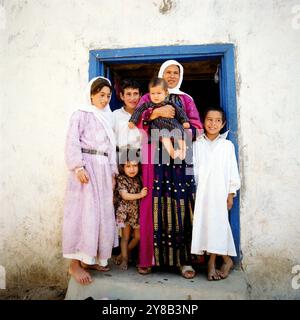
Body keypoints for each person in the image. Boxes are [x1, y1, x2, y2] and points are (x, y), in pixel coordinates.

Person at [136, 60, 203, 278]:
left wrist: (177, 130)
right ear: (160, 74)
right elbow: (138, 122)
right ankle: (149, 259)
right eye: (168, 72)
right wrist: (155, 114)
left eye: (176, 72)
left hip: (181, 158)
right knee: (151, 203)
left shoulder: (186, 100)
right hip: (154, 156)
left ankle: (182, 261)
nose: (172, 76)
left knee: (180, 204)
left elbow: (198, 128)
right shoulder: (149, 97)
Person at [62, 76, 118, 285]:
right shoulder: (81, 114)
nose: (104, 99)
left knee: (101, 214)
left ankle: (91, 258)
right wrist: (77, 166)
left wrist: (113, 171)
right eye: (101, 95)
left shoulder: (108, 118)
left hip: (103, 169)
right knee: (83, 214)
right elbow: (72, 140)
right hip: (86, 168)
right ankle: (75, 264)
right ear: (91, 95)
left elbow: (112, 146)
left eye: (108, 96)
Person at [191, 106, 241, 280]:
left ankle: (214, 263)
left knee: (218, 226)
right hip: (202, 193)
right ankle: (223, 260)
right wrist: (193, 192)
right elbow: (192, 170)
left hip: (219, 192)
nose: (213, 124)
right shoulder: (196, 144)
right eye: (209, 120)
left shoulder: (227, 146)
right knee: (205, 226)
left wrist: (230, 193)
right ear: (203, 122)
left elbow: (232, 171)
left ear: (223, 123)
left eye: (217, 120)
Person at [129, 77, 190, 160]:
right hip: (159, 128)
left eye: (159, 93)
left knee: (180, 135)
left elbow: (180, 112)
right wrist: (132, 121)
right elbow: (138, 112)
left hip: (173, 124)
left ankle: (183, 152)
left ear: (166, 93)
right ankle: (172, 153)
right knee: (165, 140)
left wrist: (184, 121)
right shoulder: (147, 105)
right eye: (153, 93)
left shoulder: (170, 103)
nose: (155, 96)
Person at [114, 149, 148, 270]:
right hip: (126, 213)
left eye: (134, 166)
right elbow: (125, 196)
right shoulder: (122, 179)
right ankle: (124, 259)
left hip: (137, 213)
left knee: (138, 237)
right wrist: (140, 195)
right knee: (125, 237)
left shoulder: (139, 178)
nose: (132, 169)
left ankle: (123, 254)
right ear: (123, 167)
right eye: (128, 166)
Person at [113, 79, 142, 151]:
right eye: (128, 94)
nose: (132, 98)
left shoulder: (145, 115)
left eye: (135, 94)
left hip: (142, 158)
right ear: (122, 96)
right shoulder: (115, 115)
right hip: (120, 157)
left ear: (140, 96)